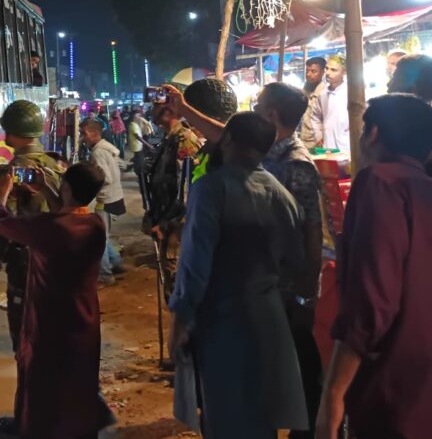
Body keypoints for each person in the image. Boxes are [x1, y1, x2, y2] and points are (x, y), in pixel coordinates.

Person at [169, 112, 309, 438]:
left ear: (228, 140)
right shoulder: (281, 195)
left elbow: (194, 265)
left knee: (226, 414)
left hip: (223, 320)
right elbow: (296, 261)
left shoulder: (210, 189)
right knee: (262, 416)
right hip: (270, 318)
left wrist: (180, 320)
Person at [315, 95, 432, 439]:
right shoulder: (422, 188)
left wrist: (334, 391)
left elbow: (373, 298)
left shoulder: (380, 182)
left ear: (374, 133)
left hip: (396, 379)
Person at [0, 161, 108, 439]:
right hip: (83, 319)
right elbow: (65, 214)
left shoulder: (47, 228)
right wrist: (44, 189)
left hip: (48, 320)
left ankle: (33, 427)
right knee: (77, 381)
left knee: (40, 381)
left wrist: (2, 192)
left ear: (66, 188)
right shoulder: (95, 224)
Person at [255, 82, 325, 439]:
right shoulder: (265, 153)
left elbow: (313, 232)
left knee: (298, 370)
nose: (253, 110)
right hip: (266, 284)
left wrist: (306, 295)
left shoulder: (297, 164)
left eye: (258, 105)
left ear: (271, 115)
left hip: (286, 288)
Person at [142, 98, 204, 295]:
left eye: (157, 105)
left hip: (178, 226)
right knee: (170, 282)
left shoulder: (184, 139)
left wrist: (166, 224)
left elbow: (189, 190)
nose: (152, 109)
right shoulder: (169, 138)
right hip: (166, 220)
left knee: (178, 285)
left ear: (169, 110)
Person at [79, 117, 126, 285]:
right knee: (103, 235)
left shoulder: (98, 152)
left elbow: (106, 178)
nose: (82, 138)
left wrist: (88, 180)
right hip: (114, 196)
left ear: (94, 133)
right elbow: (121, 168)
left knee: (99, 239)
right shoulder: (107, 148)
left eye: (84, 134)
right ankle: (116, 263)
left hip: (105, 199)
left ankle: (105, 275)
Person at [302, 53, 349, 151]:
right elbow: (315, 117)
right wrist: (318, 135)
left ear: (344, 72)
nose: (328, 73)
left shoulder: (350, 93)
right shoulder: (322, 93)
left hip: (346, 144)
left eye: (333, 70)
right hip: (327, 145)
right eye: (327, 69)